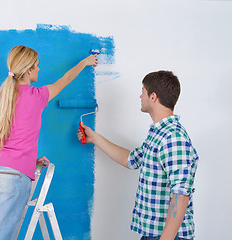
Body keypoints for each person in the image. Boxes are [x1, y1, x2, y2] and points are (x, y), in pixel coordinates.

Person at [0, 45, 98, 240]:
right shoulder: (37, 96)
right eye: (37, 66)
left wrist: (29, 160)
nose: (40, 69)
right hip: (14, 174)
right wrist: (84, 62)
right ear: (29, 70)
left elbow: (11, 138)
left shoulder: (0, 97)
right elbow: (64, 80)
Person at [78, 71, 199, 240]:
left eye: (143, 91)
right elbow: (132, 160)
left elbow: (181, 195)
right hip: (153, 234)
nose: (140, 96)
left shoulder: (173, 138)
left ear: (153, 97)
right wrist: (94, 138)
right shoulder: (158, 133)